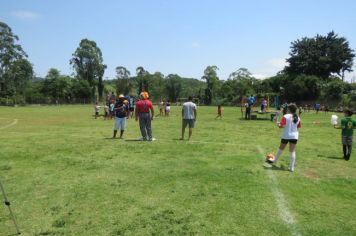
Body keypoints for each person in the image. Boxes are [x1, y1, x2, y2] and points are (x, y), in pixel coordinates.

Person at [267, 103, 301, 172]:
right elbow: (298, 126)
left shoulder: (285, 116)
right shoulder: (298, 117)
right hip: (294, 136)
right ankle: (291, 168)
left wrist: (279, 124)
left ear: (289, 109)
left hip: (286, 135)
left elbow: (281, 126)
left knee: (281, 149)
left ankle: (274, 161)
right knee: (292, 151)